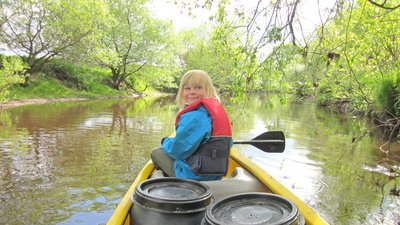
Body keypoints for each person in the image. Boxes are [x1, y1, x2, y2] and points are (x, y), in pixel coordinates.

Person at [150, 70, 233, 181]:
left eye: (198, 88)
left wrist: (165, 142)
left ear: (208, 90)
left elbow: (178, 151)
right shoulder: (213, 112)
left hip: (192, 176)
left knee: (157, 152)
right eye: (187, 88)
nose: (192, 92)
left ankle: (168, 181)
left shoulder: (195, 117)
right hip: (214, 176)